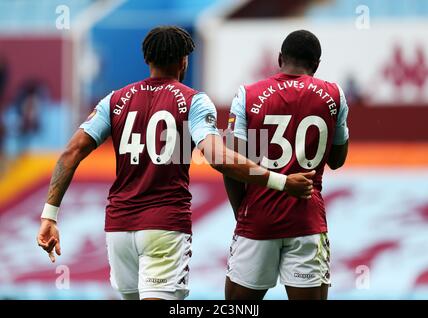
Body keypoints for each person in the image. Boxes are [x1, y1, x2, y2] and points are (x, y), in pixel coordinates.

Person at [36, 26, 313, 300]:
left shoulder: (114, 100)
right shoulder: (194, 102)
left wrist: (49, 215)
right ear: (183, 61)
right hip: (164, 228)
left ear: (147, 60)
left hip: (118, 230)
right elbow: (218, 157)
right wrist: (281, 181)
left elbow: (70, 153)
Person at [223, 30, 349, 300]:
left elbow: (232, 164)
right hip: (307, 220)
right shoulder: (334, 95)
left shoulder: (247, 95)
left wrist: (241, 212)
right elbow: (337, 161)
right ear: (316, 64)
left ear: (280, 58)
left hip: (257, 219)